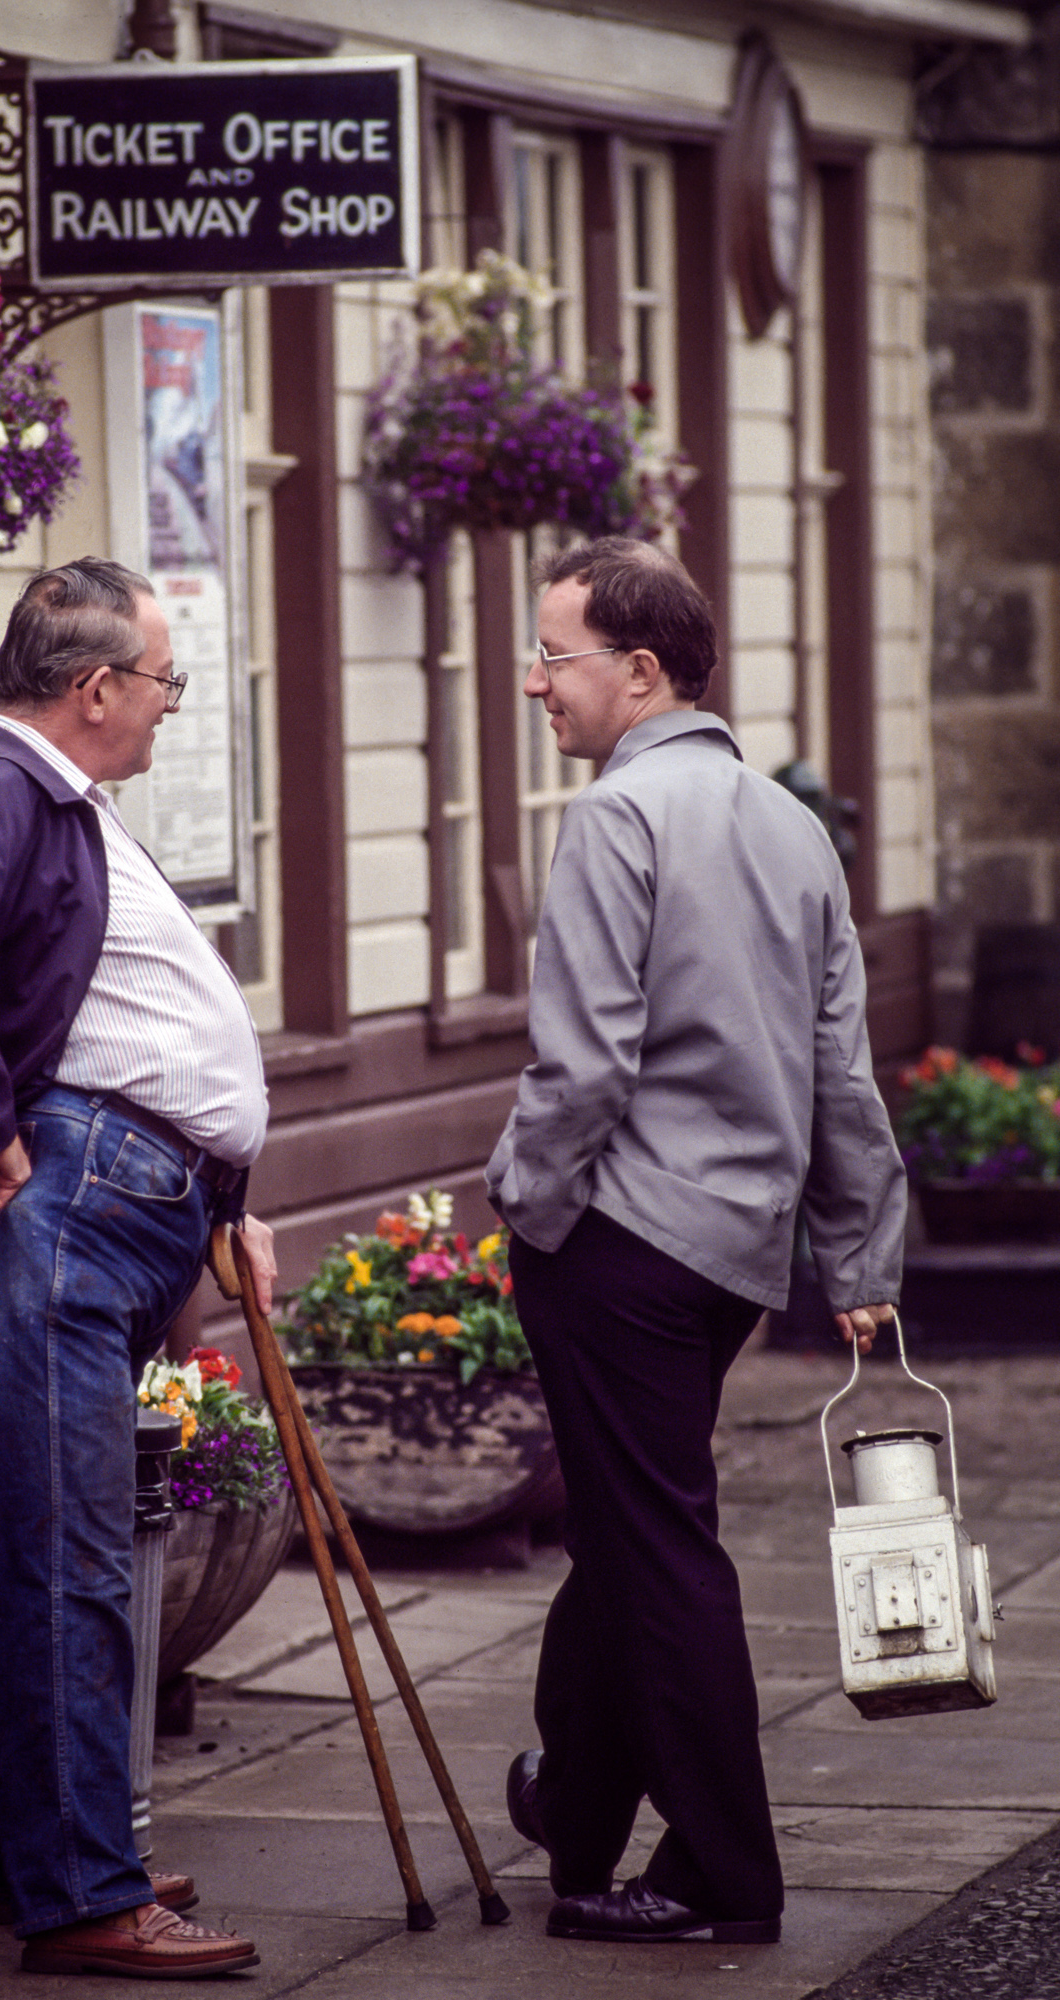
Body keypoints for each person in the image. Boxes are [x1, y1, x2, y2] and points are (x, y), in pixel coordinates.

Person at [0, 558, 275, 1979]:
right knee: (72, 1551)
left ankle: (37, 1858)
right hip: (68, 1219)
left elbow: (114, 1005)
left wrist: (222, 1186)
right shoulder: (7, 789)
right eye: (160, 682)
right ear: (92, 690)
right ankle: (83, 1893)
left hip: (118, 1209)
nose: (167, 707)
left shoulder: (57, 802)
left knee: (67, 1542)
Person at [486, 537, 904, 1948]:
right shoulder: (788, 825)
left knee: (655, 1554)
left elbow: (582, 1065)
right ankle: (577, 1810)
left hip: (616, 1240)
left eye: (553, 656)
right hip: (729, 1256)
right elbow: (838, 1066)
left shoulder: (615, 819)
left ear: (641, 671)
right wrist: (852, 1259)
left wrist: (524, 1208)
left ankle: (725, 1873)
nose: (531, 681)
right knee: (623, 1537)